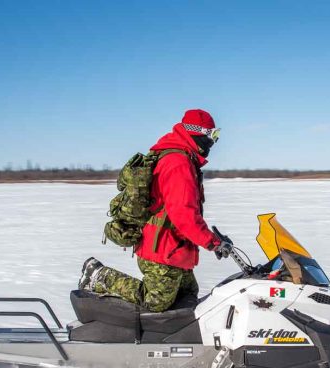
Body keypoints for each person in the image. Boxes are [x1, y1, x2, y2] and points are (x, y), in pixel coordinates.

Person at [78, 109, 232, 312]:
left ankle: (178, 342)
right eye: (213, 135)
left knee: (187, 298)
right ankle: (98, 275)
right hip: (163, 249)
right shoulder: (179, 163)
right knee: (155, 301)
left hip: (175, 247)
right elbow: (184, 215)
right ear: (198, 133)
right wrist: (213, 243)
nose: (214, 142)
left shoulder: (178, 157)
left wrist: (213, 240)